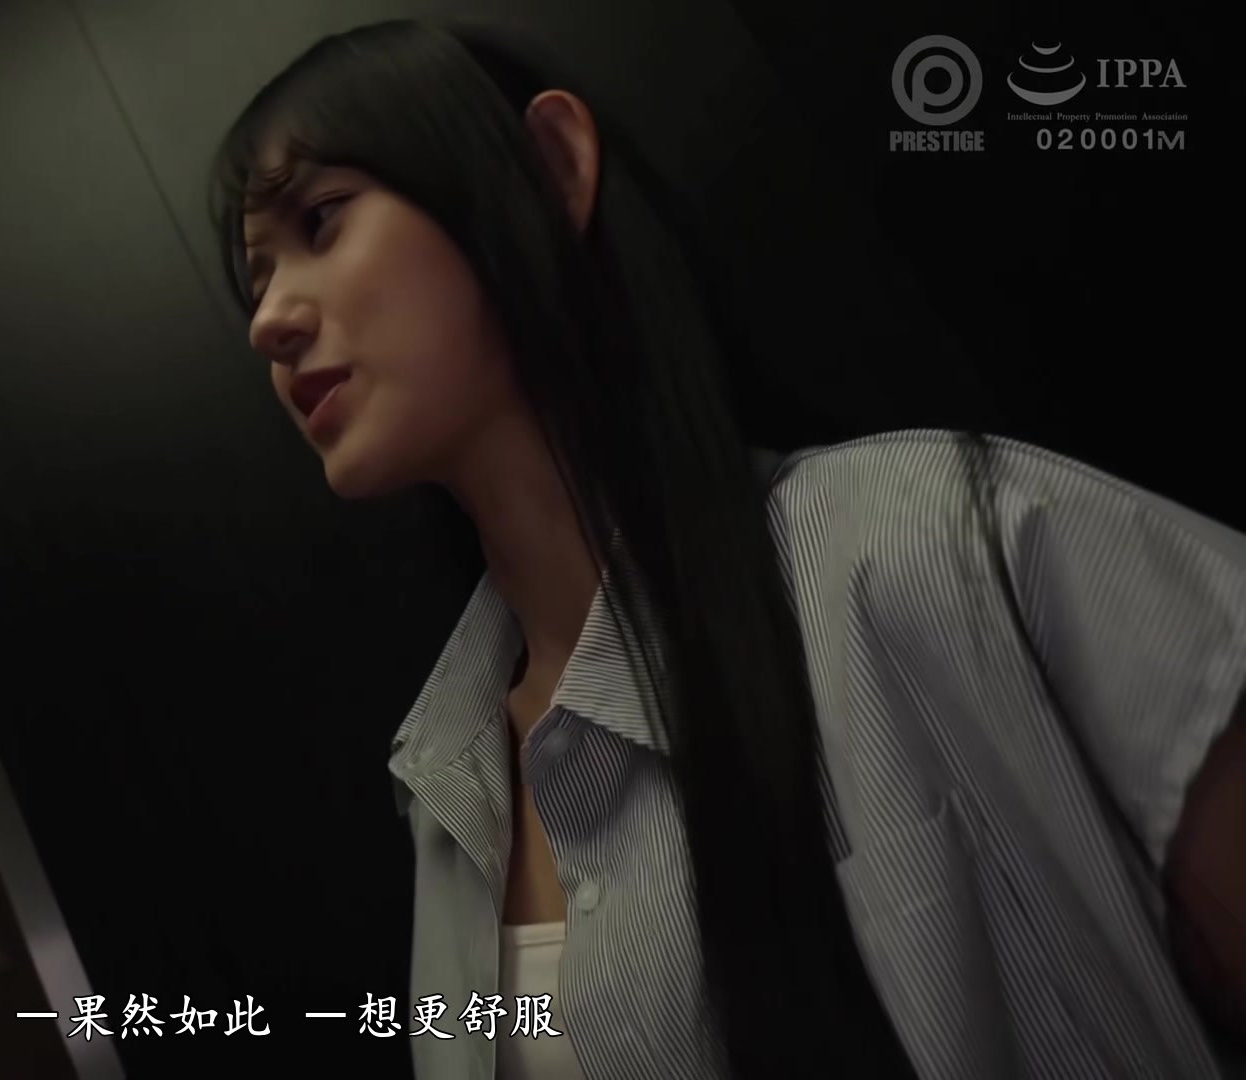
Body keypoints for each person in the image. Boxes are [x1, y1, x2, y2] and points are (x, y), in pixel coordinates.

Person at [208, 18, 1243, 1080]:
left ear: (550, 167)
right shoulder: (443, 782)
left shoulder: (925, 540)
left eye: (322, 220)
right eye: (256, 277)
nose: (267, 322)